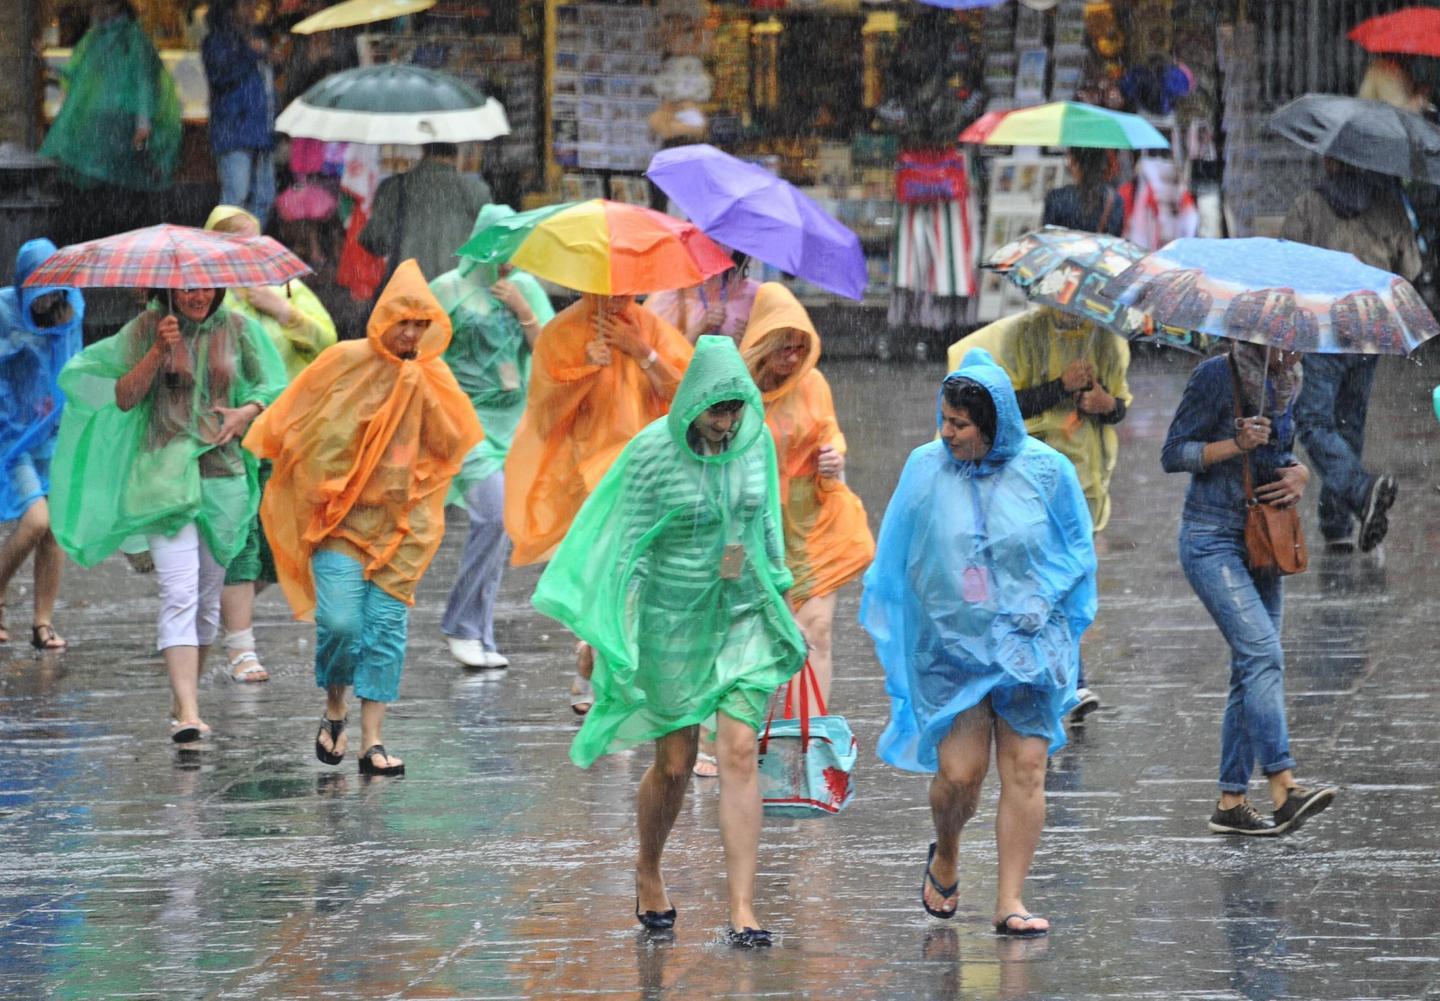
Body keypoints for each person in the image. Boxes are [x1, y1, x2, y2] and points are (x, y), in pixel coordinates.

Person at [533, 335, 805, 947]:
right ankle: (648, 866)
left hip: (741, 613)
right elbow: (619, 544)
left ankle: (742, 907)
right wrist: (605, 629)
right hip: (672, 617)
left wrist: (782, 601)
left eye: (737, 409)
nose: (727, 422)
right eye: (717, 409)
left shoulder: (754, 444)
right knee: (676, 764)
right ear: (692, 404)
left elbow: (766, 527)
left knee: (737, 751)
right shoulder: (651, 453)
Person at [860, 348, 1096, 937]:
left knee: (1027, 769)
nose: (947, 433)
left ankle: (1010, 900)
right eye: (943, 419)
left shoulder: (1047, 471)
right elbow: (898, 557)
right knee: (961, 776)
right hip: (953, 650)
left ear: (993, 425)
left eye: (959, 425)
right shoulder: (924, 467)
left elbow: (1076, 549)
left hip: (1029, 646)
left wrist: (1041, 599)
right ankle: (946, 851)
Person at [243, 261, 481, 776]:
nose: (412, 333)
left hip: (406, 525)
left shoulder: (432, 375)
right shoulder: (343, 360)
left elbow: (450, 445)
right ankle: (335, 710)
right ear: (382, 319)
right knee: (340, 623)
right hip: (341, 521)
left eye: (422, 323)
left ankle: (373, 740)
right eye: (404, 321)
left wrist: (420, 394)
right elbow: (298, 419)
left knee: (386, 629)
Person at [49, 286, 285, 742]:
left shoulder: (237, 329)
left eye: (205, 285)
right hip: (161, 475)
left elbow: (274, 387)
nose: (197, 294)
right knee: (178, 592)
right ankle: (189, 713)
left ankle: (184, 698)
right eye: (186, 286)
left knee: (206, 599)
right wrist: (158, 348)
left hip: (223, 476)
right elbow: (123, 396)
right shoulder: (147, 327)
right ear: (169, 287)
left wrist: (246, 413)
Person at [1161, 341, 1338, 836]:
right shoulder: (1216, 376)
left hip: (1265, 538)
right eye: (1281, 341)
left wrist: (1299, 472)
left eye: (1298, 339)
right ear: (1253, 338)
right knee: (1263, 654)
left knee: (1250, 663)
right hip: (1211, 538)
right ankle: (1284, 785)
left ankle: (1231, 801)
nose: (1291, 350)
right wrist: (1232, 445)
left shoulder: (1290, 382)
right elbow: (1173, 453)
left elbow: (1282, 455)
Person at [503, 290, 692, 712]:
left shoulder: (652, 329)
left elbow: (689, 397)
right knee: (611, 574)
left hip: (649, 474)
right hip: (589, 479)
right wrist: (586, 368)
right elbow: (545, 412)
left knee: (633, 578)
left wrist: (643, 353)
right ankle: (609, 678)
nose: (618, 295)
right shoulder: (563, 333)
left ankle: (595, 654)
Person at [949, 305, 1131, 720]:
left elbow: (1119, 404)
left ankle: (1068, 674)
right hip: (1027, 476)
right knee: (1034, 573)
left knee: (1071, 573)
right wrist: (1058, 386)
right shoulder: (1022, 336)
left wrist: (1105, 404)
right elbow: (1002, 408)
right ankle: (1056, 673)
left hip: (1081, 477)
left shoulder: (1106, 341)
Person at [203, 205, 338, 682]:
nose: (248, 252)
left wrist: (284, 312)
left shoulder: (286, 287)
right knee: (240, 539)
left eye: (253, 241)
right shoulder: (208, 296)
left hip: (289, 437)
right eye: (235, 242)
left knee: (281, 545)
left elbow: (328, 342)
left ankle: (210, 608)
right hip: (232, 437)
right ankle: (241, 648)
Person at [431, 205, 555, 669]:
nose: (512, 257)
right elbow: (421, 350)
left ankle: (478, 632)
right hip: (465, 421)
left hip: (514, 425)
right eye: (504, 245)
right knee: (494, 517)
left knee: (501, 531)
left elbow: (548, 354)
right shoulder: (448, 289)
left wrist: (523, 311)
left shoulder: (524, 288)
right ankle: (461, 624)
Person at [739, 281, 873, 705]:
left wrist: (835, 455)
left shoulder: (813, 382)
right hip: (754, 526)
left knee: (817, 629)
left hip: (811, 520)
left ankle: (811, 734)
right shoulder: (739, 391)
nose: (794, 357)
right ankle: (735, 732)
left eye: (801, 346)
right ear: (763, 342)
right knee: (750, 631)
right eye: (785, 347)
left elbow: (829, 430)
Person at [1281, 160, 1422, 553]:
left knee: (1312, 421)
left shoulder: (1309, 204)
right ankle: (1338, 521)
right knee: (1348, 424)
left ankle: (1359, 495)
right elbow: (1409, 268)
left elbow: (1287, 265)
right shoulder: (1390, 207)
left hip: (1324, 326)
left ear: (1330, 162)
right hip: (1371, 326)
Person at [0, 240, 85, 650]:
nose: (46, 297)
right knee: (36, 521)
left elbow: (75, 363)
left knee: (56, 531)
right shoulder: (3, 311)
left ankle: (42, 622)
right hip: (13, 437)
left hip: (56, 433)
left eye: (54, 287)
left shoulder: (71, 309)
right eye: (38, 287)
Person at [40, 0, 182, 241]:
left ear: (113, 7)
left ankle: (109, 236)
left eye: (98, 5)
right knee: (107, 191)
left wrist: (143, 122)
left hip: (117, 128)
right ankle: (107, 235)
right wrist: (45, 64)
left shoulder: (131, 39)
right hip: (105, 128)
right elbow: (78, 71)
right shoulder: (99, 37)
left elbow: (144, 80)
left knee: (114, 192)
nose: (93, 10)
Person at [359, 144, 494, 284]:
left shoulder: (394, 186)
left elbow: (375, 241)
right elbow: (490, 246)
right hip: (456, 291)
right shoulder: (477, 190)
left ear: (423, 150)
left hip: (407, 289)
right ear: (456, 155)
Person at [202, 0, 278, 227]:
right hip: (234, 131)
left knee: (264, 197)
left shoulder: (255, 40)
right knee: (236, 199)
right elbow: (220, 75)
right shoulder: (217, 41)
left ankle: (248, 252)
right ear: (229, 10)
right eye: (246, 5)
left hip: (261, 131)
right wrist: (252, 53)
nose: (252, 10)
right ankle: (226, 254)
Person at [644, 255, 759, 344]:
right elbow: (664, 357)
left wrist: (748, 342)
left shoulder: (755, 295)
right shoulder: (671, 294)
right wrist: (699, 329)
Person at [1041, 148, 1125, 236]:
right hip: (1098, 249)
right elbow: (1114, 237)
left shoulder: (1056, 198)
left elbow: (1047, 238)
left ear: (1073, 162)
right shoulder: (1114, 200)